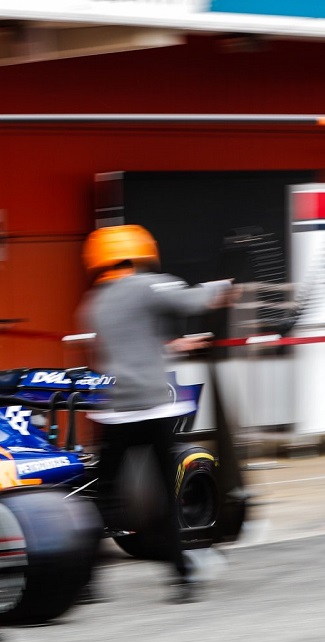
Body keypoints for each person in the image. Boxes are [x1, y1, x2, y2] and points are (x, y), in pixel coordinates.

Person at [78, 224, 234, 604]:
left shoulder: (93, 303)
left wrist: (170, 345)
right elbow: (193, 301)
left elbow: (129, 343)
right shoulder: (145, 285)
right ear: (137, 253)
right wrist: (225, 286)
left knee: (106, 496)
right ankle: (181, 577)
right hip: (151, 406)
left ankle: (85, 582)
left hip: (115, 411)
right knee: (166, 494)